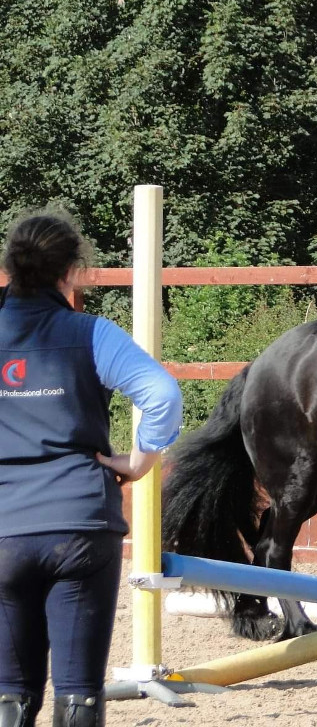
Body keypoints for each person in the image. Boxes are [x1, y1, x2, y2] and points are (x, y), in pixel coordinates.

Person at [0, 212, 182, 727]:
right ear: (72, 270)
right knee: (78, 693)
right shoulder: (91, 332)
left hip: (5, 528)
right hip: (80, 523)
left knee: (9, 694)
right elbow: (162, 393)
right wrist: (141, 459)